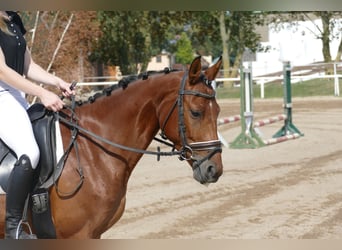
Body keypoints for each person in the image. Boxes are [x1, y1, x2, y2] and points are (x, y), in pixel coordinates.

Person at [0, 11, 75, 239]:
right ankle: (13, 227)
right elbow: (2, 70)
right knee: (30, 152)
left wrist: (56, 81)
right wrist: (42, 93)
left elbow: (27, 64)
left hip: (16, 94)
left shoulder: (13, 18)